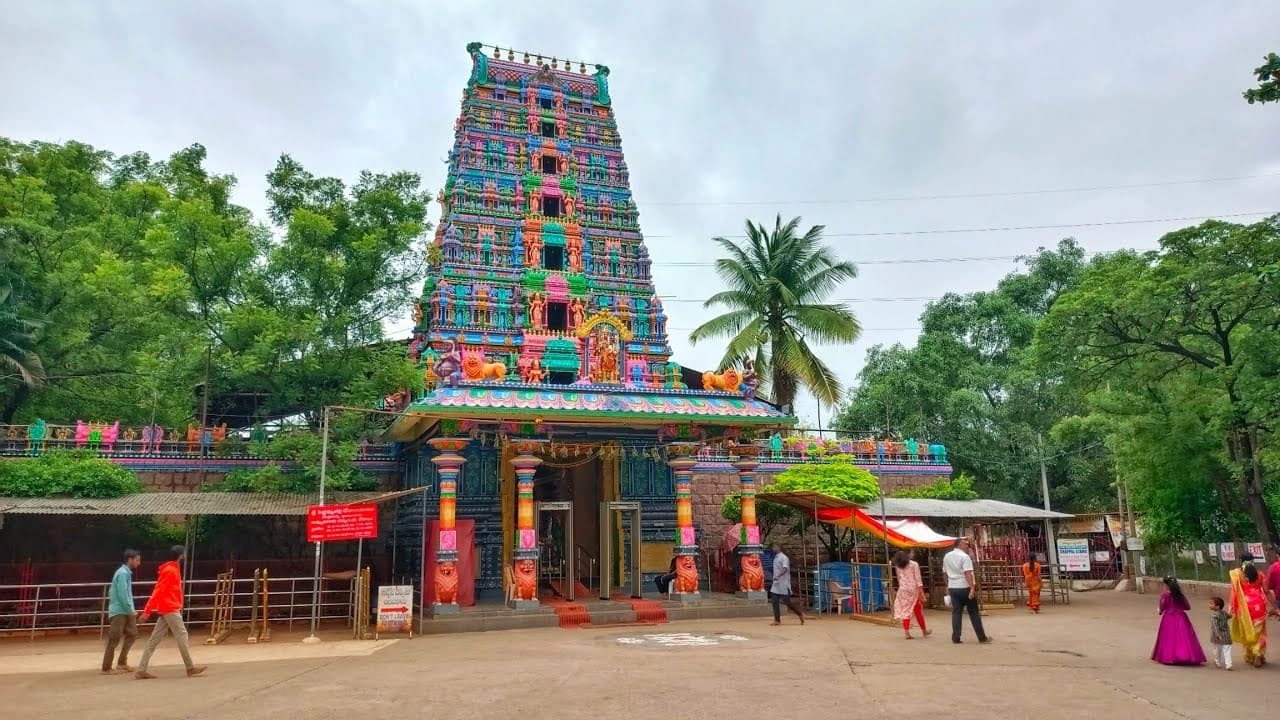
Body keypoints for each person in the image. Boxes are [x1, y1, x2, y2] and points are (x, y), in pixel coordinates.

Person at [136, 545, 205, 679]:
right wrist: (147, 611)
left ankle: (141, 669)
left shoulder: (171, 569)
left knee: (154, 640)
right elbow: (158, 590)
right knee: (182, 635)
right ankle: (190, 667)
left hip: (166, 608)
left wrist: (148, 611)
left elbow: (159, 590)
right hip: (170, 608)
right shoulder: (171, 570)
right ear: (180, 555)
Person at [101, 549, 141, 674]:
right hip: (120, 610)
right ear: (130, 559)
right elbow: (123, 594)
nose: (138, 563)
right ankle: (106, 667)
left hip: (125, 609)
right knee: (115, 637)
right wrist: (131, 610)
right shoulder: (123, 573)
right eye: (137, 560)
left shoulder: (125, 573)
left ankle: (122, 662)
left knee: (133, 634)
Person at [943, 537, 989, 644]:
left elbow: (944, 573)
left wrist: (947, 585)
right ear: (959, 545)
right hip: (965, 587)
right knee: (973, 612)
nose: (966, 546)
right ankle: (981, 637)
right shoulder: (965, 557)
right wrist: (972, 588)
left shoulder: (947, 556)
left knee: (956, 612)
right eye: (965, 544)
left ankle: (956, 637)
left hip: (953, 587)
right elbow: (967, 573)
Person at [1151, 575, 1204, 665]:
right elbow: (1187, 607)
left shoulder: (1165, 595)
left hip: (1168, 617)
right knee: (1184, 637)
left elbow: (1161, 608)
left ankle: (1169, 657)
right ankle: (1188, 656)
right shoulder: (1180, 595)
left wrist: (1160, 611)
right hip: (1181, 617)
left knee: (1169, 637)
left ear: (1166, 585)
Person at [1229, 551, 1268, 667]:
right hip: (1259, 606)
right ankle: (1258, 653)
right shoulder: (1260, 575)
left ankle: (1250, 656)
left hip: (1244, 606)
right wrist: (1275, 607)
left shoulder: (1236, 574)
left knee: (1247, 631)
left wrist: (1231, 607)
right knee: (1260, 632)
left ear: (1241, 561)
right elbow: (1266, 591)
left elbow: (1234, 592)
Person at [891, 550, 929, 639]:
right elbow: (918, 580)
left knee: (906, 610)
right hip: (913, 590)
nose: (913, 554)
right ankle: (924, 630)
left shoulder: (898, 566)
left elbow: (899, 578)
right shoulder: (914, 564)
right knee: (918, 610)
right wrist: (922, 594)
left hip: (903, 589)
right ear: (908, 555)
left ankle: (907, 632)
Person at [769, 542, 805, 625]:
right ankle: (777, 620)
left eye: (774, 546)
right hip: (776, 583)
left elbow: (785, 569)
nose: (773, 548)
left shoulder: (784, 558)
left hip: (783, 583)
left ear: (779, 547)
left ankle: (799, 613)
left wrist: (778, 575)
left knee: (787, 602)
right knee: (774, 601)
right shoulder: (776, 557)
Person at [1208, 596, 1233, 670]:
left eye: (1211, 603)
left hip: (1217, 636)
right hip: (1226, 635)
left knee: (1217, 649)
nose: (1209, 605)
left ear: (1217, 606)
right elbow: (1229, 616)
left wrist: (1218, 635)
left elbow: (1215, 627)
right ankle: (1228, 664)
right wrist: (1231, 610)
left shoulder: (1214, 616)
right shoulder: (1224, 613)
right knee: (1227, 649)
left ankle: (1217, 661)